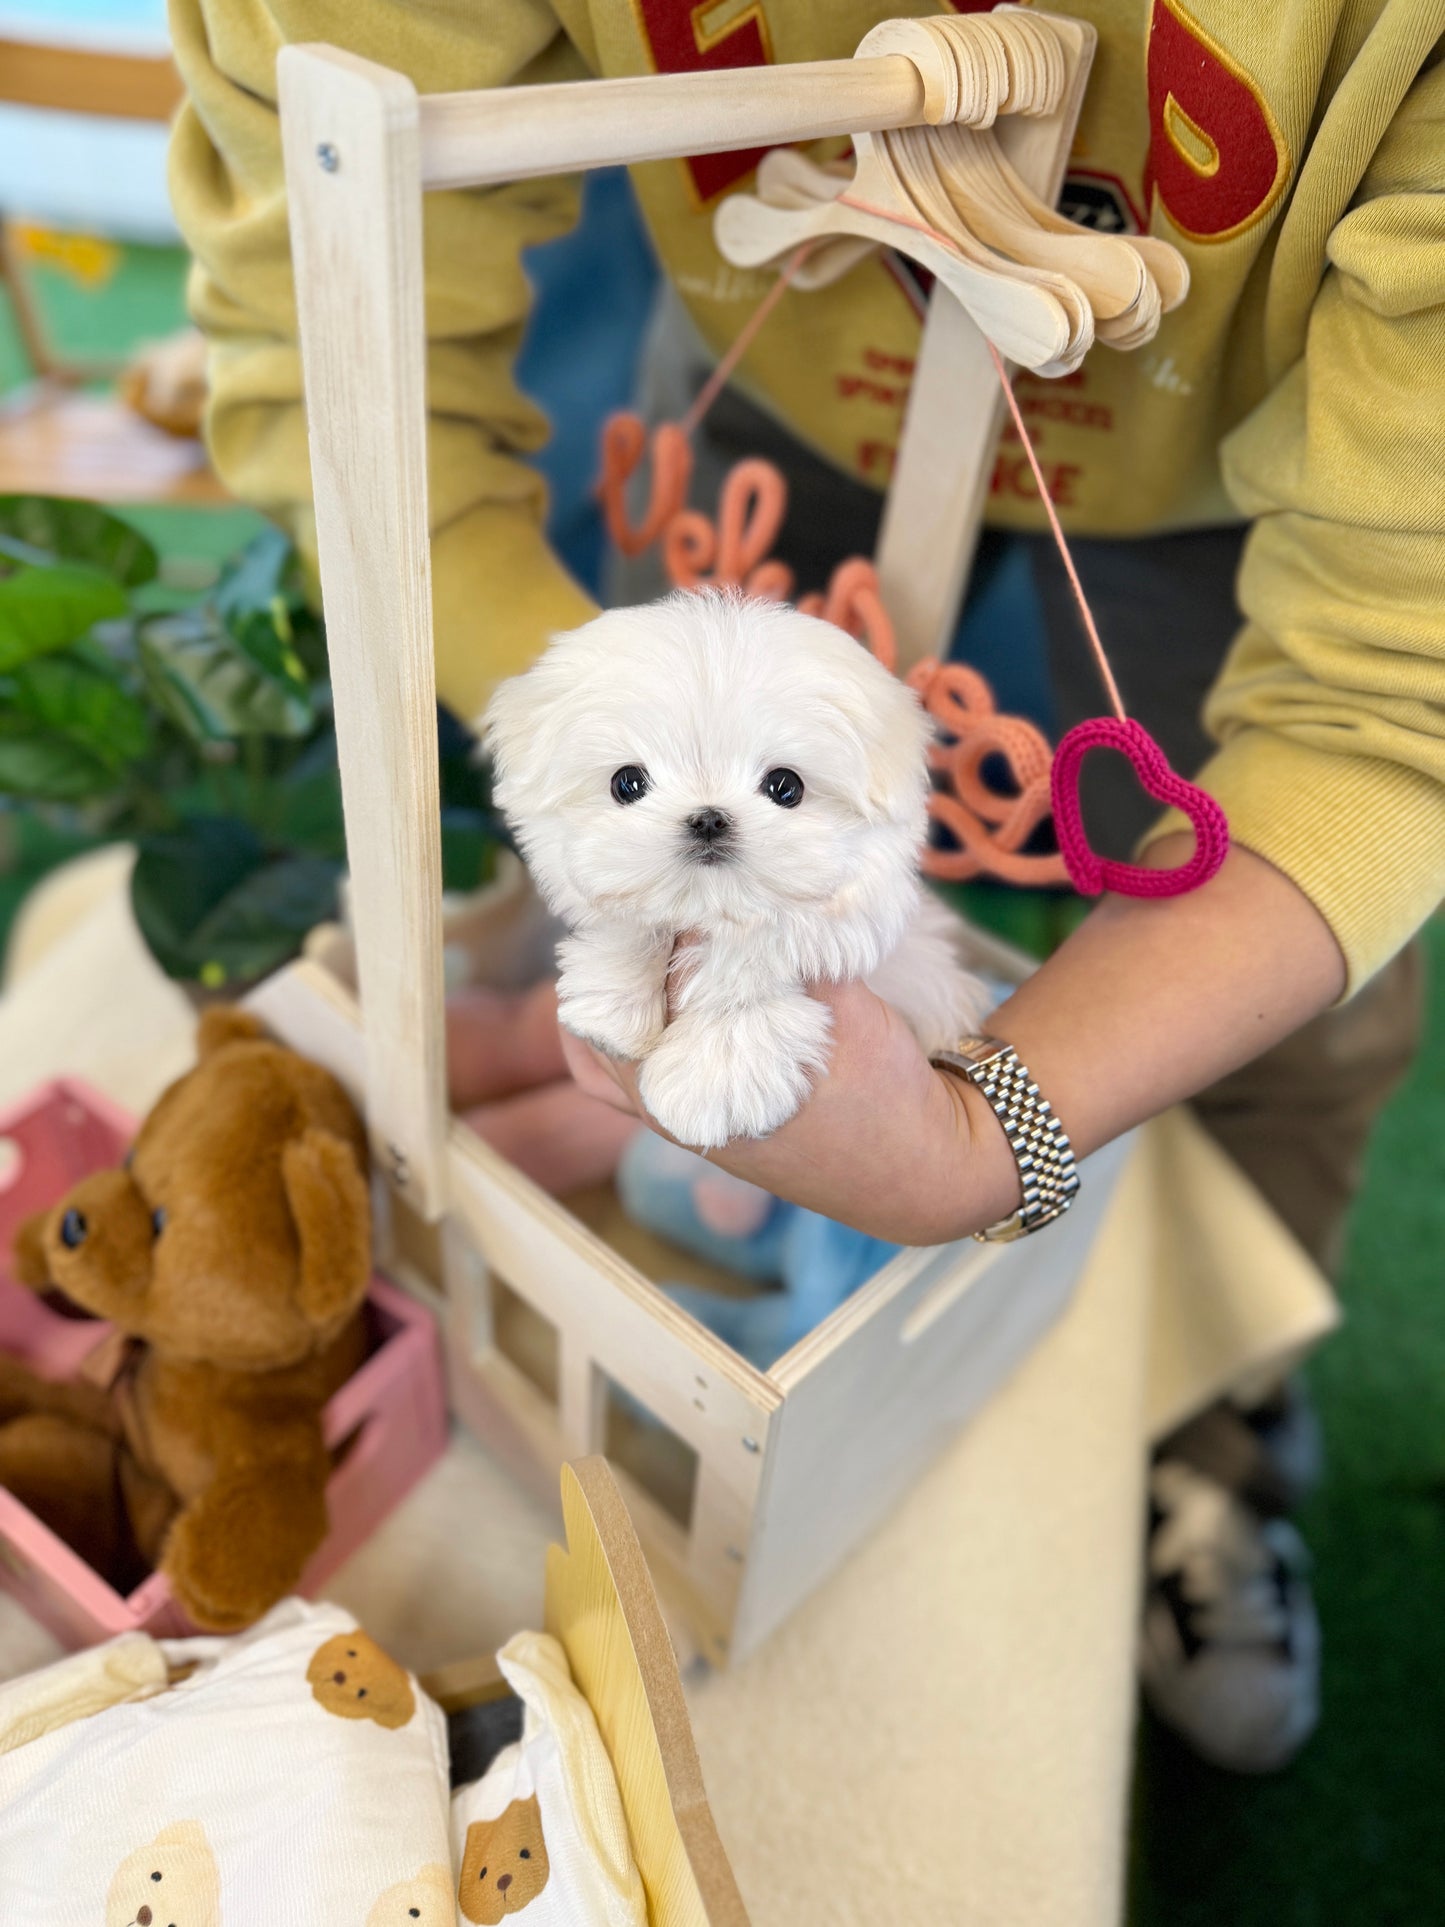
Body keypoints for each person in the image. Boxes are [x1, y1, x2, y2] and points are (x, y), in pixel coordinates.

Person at [165, 0, 1445, 1773]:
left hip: (1254, 444)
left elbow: (1386, 710)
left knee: (1287, 1023)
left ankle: (1221, 1434)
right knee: (631, 877)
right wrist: (625, 761)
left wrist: (992, 1131)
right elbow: (331, 345)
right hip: (767, 365)